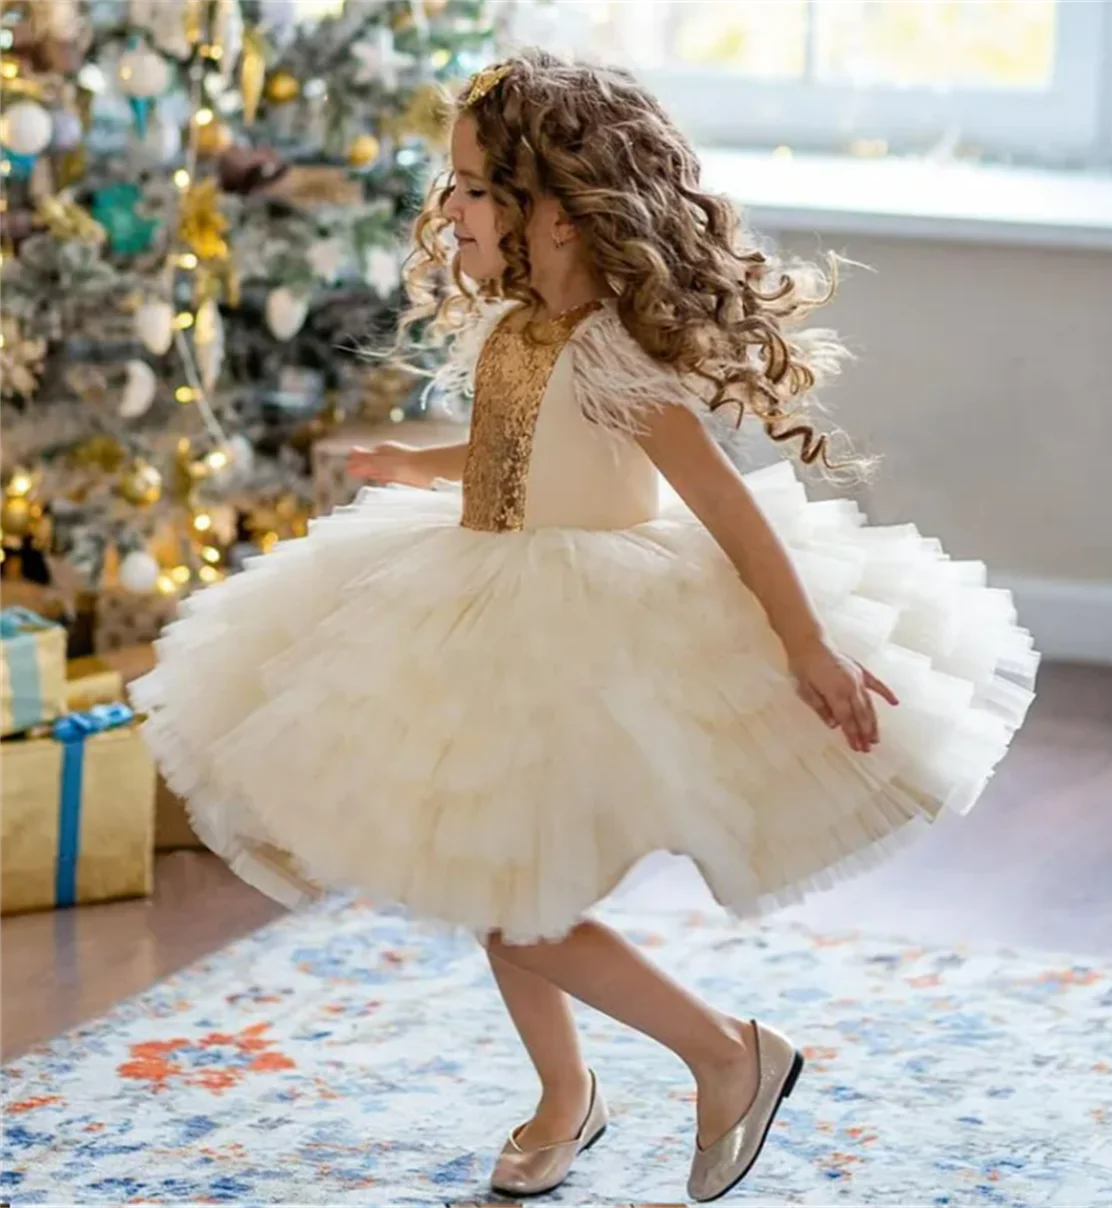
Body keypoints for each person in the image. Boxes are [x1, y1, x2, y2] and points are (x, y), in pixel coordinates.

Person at [131, 51, 1038, 1203]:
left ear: (552, 213)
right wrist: (410, 461)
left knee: (515, 904)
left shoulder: (621, 353)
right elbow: (509, 447)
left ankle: (727, 1052)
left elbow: (723, 508)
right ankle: (569, 1096)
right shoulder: (517, 330)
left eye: (468, 185)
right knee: (499, 874)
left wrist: (807, 643)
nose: (446, 208)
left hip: (587, 631)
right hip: (478, 596)